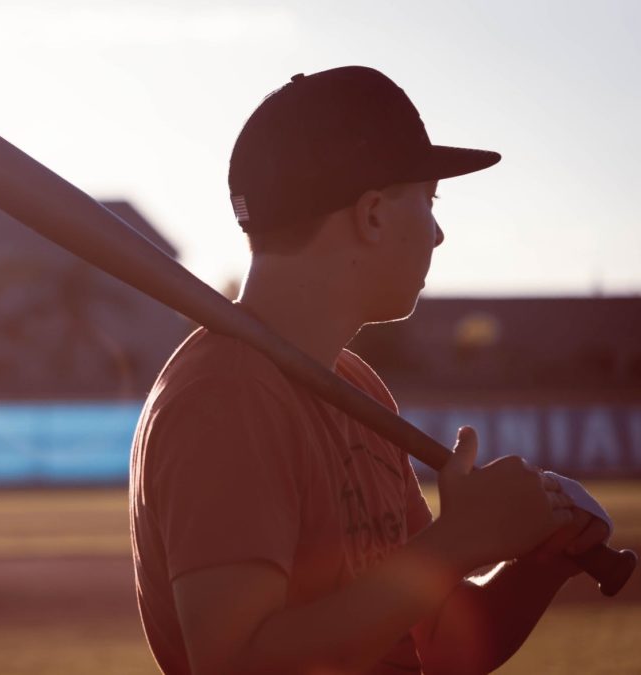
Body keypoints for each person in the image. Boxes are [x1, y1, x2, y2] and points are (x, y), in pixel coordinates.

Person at [129, 66, 610, 675]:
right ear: (374, 215)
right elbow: (238, 663)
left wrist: (538, 560)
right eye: (429, 200)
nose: (437, 233)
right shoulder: (225, 397)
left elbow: (440, 643)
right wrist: (458, 541)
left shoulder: (356, 387)